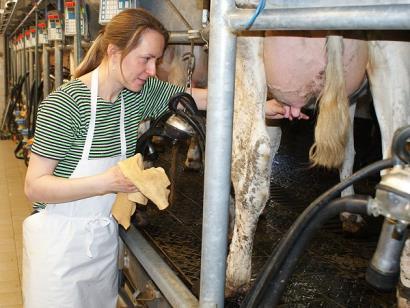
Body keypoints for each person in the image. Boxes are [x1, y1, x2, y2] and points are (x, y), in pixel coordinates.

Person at [22, 8, 306, 308]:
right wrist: (107, 182)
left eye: (156, 60)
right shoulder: (65, 105)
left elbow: (199, 98)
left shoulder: (135, 94)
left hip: (103, 244)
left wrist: (263, 107)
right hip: (57, 252)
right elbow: (35, 187)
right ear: (113, 51)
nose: (153, 70)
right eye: (145, 59)